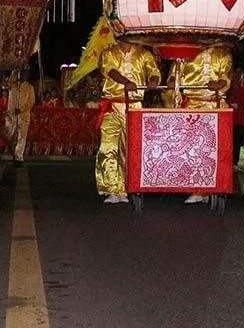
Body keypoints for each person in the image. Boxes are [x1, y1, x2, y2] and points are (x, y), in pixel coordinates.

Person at [94, 38, 160, 205]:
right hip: (112, 106)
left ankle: (127, 188)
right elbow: (110, 71)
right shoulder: (108, 53)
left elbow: (154, 71)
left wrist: (153, 80)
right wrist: (126, 82)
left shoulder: (144, 54)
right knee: (107, 147)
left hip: (134, 106)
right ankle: (112, 190)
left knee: (129, 148)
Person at [175, 43, 231, 204]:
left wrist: (219, 85)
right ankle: (197, 190)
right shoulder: (186, 53)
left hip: (216, 106)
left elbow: (225, 77)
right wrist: (173, 82)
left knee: (216, 150)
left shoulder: (223, 54)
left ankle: (217, 186)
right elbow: (175, 77)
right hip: (192, 107)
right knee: (192, 150)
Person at [5, 70, 36, 166]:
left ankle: (19, 157)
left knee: (22, 137)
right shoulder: (12, 85)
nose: (24, 75)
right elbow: (7, 83)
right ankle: (14, 154)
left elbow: (31, 102)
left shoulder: (30, 87)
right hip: (11, 116)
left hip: (24, 116)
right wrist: (14, 71)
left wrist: (21, 109)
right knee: (10, 135)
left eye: (26, 74)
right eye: (22, 73)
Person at [227, 67, 244, 166]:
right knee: (228, 142)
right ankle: (227, 161)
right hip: (227, 120)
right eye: (236, 72)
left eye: (240, 73)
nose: (238, 75)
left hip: (239, 120)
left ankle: (234, 162)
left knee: (237, 143)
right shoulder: (227, 87)